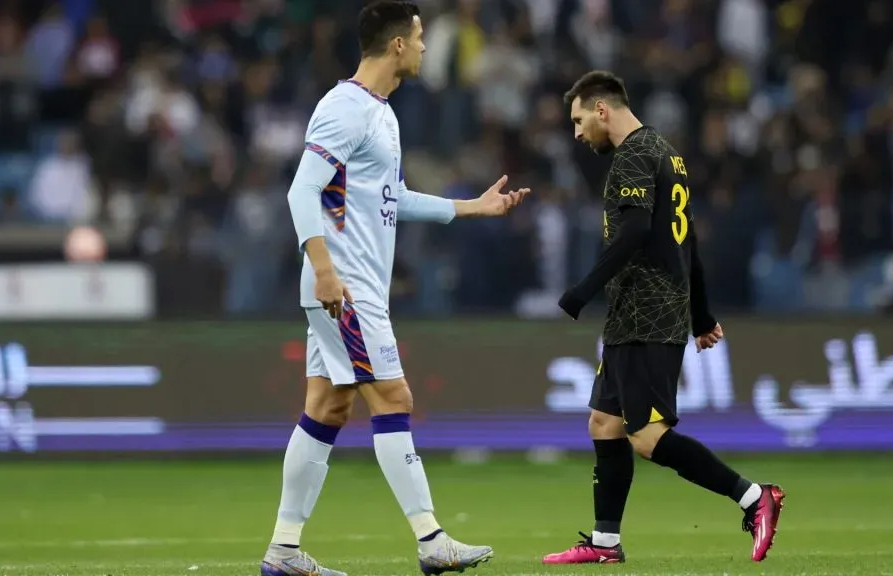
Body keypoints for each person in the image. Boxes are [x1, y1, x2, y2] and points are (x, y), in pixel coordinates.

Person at [262, 3, 530, 576]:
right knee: (394, 399)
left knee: (327, 406)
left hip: (348, 287)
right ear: (398, 47)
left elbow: (394, 198)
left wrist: (470, 207)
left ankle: (284, 550)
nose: (427, 47)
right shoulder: (343, 107)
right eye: (420, 36)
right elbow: (300, 193)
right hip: (344, 287)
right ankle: (431, 540)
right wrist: (326, 270)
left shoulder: (382, 114)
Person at [543, 71, 785, 565]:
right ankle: (605, 543)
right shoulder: (667, 153)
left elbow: (632, 233)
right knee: (603, 422)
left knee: (647, 437)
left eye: (578, 119)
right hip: (644, 313)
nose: (576, 132)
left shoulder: (633, 155)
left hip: (645, 315)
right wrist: (700, 315)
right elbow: (686, 241)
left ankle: (754, 496)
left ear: (601, 109)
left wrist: (581, 291)